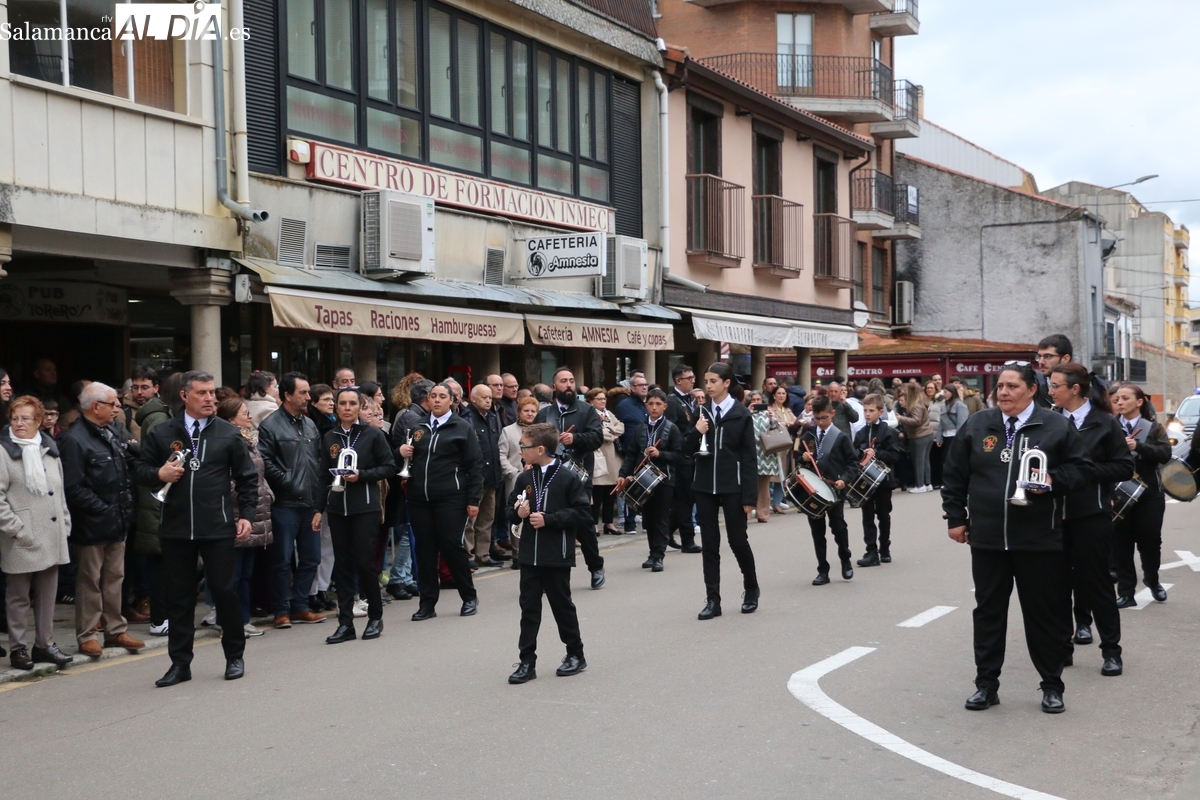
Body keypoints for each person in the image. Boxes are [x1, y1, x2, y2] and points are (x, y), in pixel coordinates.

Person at [942, 362, 1092, 714]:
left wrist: (1053, 479)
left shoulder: (1055, 426)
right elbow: (954, 474)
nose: (1003, 392)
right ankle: (986, 685)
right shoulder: (979, 424)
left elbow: (1082, 470)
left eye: (1012, 386)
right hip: (988, 539)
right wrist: (956, 517)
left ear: (1031, 389)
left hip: (1038, 540)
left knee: (1043, 616)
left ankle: (1052, 686)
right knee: (989, 613)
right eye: (1000, 386)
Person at [136, 371, 259, 687]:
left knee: (224, 592)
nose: (209, 399)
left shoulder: (228, 434)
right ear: (184, 396)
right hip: (176, 528)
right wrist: (159, 472)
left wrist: (245, 514)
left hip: (217, 526)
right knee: (179, 598)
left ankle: (234, 656)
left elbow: (247, 478)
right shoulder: (163, 432)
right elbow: (140, 470)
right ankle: (180, 664)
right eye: (202, 393)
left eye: (211, 394)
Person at [1047, 363, 1131, 677]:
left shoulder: (1105, 423)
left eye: (1056, 385)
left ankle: (1111, 651)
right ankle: (1062, 649)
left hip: (1091, 514)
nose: (1050, 391)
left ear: (1075, 389)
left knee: (1096, 585)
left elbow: (1123, 467)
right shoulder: (1049, 421)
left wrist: (1083, 472)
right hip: (1054, 515)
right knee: (1056, 586)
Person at [58, 382, 144, 658]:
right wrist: (103, 509)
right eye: (113, 403)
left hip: (118, 519)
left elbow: (127, 468)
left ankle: (116, 630)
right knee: (90, 580)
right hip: (92, 523)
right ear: (96, 407)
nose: (117, 407)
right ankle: (87, 634)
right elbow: (73, 487)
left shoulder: (112, 431)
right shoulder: (74, 439)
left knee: (114, 578)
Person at [506, 423, 593, 684]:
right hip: (529, 554)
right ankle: (526, 661)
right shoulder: (524, 478)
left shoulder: (568, 478)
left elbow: (582, 513)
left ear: (540, 449)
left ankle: (575, 654)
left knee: (561, 605)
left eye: (524, 446)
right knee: (528, 608)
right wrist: (517, 513)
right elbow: (510, 509)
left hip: (556, 553)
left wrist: (550, 519)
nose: (520, 450)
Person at [315, 388, 396, 644]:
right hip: (338, 508)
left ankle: (375, 616)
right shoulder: (329, 437)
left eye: (352, 403)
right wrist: (318, 509)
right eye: (342, 403)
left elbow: (389, 466)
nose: (347, 408)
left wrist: (363, 475)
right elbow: (321, 476)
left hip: (365, 507)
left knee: (364, 563)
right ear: (337, 407)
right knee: (343, 566)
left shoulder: (373, 434)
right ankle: (345, 623)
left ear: (360, 407)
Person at [398, 383, 482, 620]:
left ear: (452, 401)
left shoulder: (462, 428)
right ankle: (427, 604)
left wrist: (473, 498)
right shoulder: (418, 426)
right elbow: (407, 460)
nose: (436, 400)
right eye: (432, 396)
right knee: (424, 550)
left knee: (450, 546)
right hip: (419, 497)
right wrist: (401, 453)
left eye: (442, 396)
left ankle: (468, 596)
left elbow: (474, 466)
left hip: (451, 497)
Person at [1, 396, 73, 669]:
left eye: (26, 418)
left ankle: (45, 645)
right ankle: (18, 648)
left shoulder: (49, 448)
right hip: (21, 536)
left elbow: (60, 490)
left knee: (47, 596)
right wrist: (16, 529)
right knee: (18, 597)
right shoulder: (2, 451)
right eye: (15, 418)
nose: (19, 423)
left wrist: (65, 522)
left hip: (51, 533)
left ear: (39, 422)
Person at [683, 363, 759, 620]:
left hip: (732, 487)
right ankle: (713, 600)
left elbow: (750, 458)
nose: (708, 385)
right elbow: (686, 447)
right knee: (710, 546)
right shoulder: (701, 411)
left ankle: (751, 589)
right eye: (706, 380)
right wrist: (697, 430)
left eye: (713, 380)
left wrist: (750, 497)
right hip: (704, 486)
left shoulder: (741, 414)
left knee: (738, 541)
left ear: (726, 383)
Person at [256, 372, 327, 629]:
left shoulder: (309, 424)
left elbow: (318, 460)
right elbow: (266, 462)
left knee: (311, 558)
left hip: (310, 504)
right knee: (281, 560)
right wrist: (290, 482)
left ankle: (300, 606)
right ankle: (281, 610)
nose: (309, 397)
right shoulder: (270, 425)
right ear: (287, 396)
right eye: (303, 393)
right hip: (285, 504)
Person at [535, 368, 606, 588]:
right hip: (549, 478)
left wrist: (575, 438)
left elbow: (597, 438)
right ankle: (550, 572)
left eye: (572, 381)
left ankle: (595, 566)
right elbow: (531, 441)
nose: (569, 384)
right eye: (563, 381)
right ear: (554, 387)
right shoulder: (544, 414)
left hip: (578, 478)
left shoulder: (586, 411)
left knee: (584, 525)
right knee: (550, 523)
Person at [1110, 383, 1172, 608]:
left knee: (1150, 541)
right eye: (1117, 399)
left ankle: (1153, 581)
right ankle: (1126, 591)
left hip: (1149, 493)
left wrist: (1139, 446)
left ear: (1139, 402)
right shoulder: (1110, 426)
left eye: (1125, 398)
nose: (1119, 402)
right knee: (1121, 543)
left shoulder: (1153, 428)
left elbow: (1165, 454)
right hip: (1119, 493)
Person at [217, 397, 274, 637]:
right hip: (237, 514)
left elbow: (258, 474)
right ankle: (232, 621)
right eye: (244, 414)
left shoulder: (250, 441)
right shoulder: (228, 443)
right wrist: (247, 494)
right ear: (231, 420)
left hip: (255, 513)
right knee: (234, 574)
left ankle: (243, 619)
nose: (250, 417)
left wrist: (267, 493)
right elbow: (230, 480)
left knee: (245, 573)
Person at [617, 389, 682, 572]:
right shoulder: (640, 428)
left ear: (665, 406)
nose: (654, 407)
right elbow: (631, 455)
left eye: (658, 404)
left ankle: (659, 555)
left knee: (661, 518)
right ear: (646, 406)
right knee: (649, 519)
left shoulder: (671, 428)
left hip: (664, 479)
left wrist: (660, 453)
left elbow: (679, 455)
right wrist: (623, 474)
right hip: (643, 480)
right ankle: (652, 553)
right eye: (651, 404)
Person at [799, 395, 859, 584]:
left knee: (838, 528)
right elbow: (798, 461)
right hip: (814, 491)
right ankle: (822, 570)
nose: (820, 422)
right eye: (817, 418)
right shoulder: (807, 435)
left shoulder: (841, 437)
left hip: (835, 489)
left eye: (824, 417)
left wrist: (844, 480)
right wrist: (803, 459)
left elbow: (853, 463)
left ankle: (845, 559)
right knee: (817, 531)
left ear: (832, 413)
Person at [130, 369, 173, 637]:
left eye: (144, 386)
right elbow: (162, 457)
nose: (138, 392)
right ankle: (160, 617)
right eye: (135, 387)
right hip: (158, 496)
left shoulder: (158, 414)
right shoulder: (159, 418)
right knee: (160, 560)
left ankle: (163, 614)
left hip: (157, 495)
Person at [853, 394, 902, 567]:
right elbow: (854, 455)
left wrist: (877, 454)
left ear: (880, 412)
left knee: (883, 514)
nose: (867, 414)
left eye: (871, 411)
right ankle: (871, 551)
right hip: (865, 481)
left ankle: (885, 548)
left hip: (883, 480)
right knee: (867, 516)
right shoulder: (860, 433)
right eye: (865, 410)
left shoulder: (888, 432)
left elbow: (895, 455)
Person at [460, 383, 506, 568]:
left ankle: (483, 554)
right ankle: (468, 555)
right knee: (471, 520)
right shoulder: (467, 418)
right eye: (484, 397)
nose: (488, 400)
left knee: (487, 518)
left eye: (489, 397)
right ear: (473, 398)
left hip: (493, 475)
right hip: (475, 478)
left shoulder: (494, 417)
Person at [665, 364, 702, 552]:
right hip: (681, 455)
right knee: (685, 499)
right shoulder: (671, 402)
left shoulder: (691, 400)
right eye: (690, 378)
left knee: (688, 497)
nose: (693, 381)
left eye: (693, 377)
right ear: (678, 380)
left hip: (693, 452)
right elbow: (670, 429)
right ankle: (688, 539)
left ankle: (666, 532)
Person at [586, 388, 624, 535]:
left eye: (604, 398)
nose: (603, 401)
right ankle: (594, 523)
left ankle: (609, 523)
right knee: (597, 492)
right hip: (599, 456)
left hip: (613, 457)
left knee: (611, 492)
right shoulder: (590, 415)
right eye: (599, 399)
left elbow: (621, 427)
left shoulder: (608, 414)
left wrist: (610, 432)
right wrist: (612, 434)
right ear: (591, 401)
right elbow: (598, 433)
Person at [614, 373, 649, 533]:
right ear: (632, 388)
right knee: (631, 487)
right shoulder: (624, 405)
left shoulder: (648, 403)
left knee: (647, 488)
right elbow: (619, 429)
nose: (644, 387)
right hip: (632, 452)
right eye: (640, 385)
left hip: (649, 452)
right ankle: (629, 523)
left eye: (645, 384)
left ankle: (648, 522)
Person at [895, 382, 934, 493]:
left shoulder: (915, 405)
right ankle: (927, 483)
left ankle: (920, 485)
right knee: (925, 460)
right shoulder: (920, 403)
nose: (904, 392)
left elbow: (916, 421)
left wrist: (901, 418)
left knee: (918, 461)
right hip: (927, 434)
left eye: (906, 390)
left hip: (919, 436)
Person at [748, 392, 780, 525]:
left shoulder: (769, 414)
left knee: (763, 486)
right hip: (750, 453)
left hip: (765, 455)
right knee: (748, 485)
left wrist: (772, 420)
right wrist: (747, 412)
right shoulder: (745, 414)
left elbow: (778, 430)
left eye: (758, 400)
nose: (756, 402)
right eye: (753, 400)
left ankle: (763, 513)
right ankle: (747, 513)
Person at [767, 385, 796, 513]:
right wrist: (786, 424)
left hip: (787, 446)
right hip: (774, 445)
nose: (781, 396)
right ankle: (766, 502)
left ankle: (777, 503)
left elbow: (795, 422)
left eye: (783, 393)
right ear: (774, 395)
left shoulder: (788, 410)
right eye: (778, 393)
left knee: (782, 476)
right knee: (769, 477)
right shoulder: (770, 409)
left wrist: (790, 424)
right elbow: (770, 424)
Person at [935, 386, 970, 489]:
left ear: (952, 392)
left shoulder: (959, 405)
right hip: (946, 436)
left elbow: (962, 423)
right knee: (946, 460)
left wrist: (960, 439)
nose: (943, 394)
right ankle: (948, 481)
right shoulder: (945, 404)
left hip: (955, 436)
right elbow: (941, 423)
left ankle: (957, 481)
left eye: (946, 392)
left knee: (954, 460)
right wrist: (939, 438)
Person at [1035, 334, 1073, 409]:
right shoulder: (1034, 388)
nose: (1041, 362)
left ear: (1065, 359)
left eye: (1048, 356)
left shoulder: (1084, 390)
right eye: (1039, 357)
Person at [925, 380, 946, 489]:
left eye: (931, 388)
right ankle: (934, 481)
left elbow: (943, 418)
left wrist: (940, 435)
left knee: (939, 459)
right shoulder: (925, 401)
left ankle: (940, 481)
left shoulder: (941, 401)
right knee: (931, 459)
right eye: (927, 388)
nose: (929, 390)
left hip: (937, 432)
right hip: (928, 433)